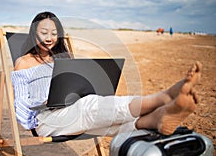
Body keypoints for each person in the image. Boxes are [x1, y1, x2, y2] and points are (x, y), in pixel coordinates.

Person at [11, 11, 202, 137]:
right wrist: (42, 103)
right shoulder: (23, 63)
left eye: (53, 33)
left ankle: (157, 118)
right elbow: (21, 105)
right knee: (89, 106)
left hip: (73, 110)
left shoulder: (63, 60)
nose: (49, 38)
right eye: (44, 32)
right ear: (34, 33)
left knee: (112, 124)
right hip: (45, 119)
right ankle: (163, 97)